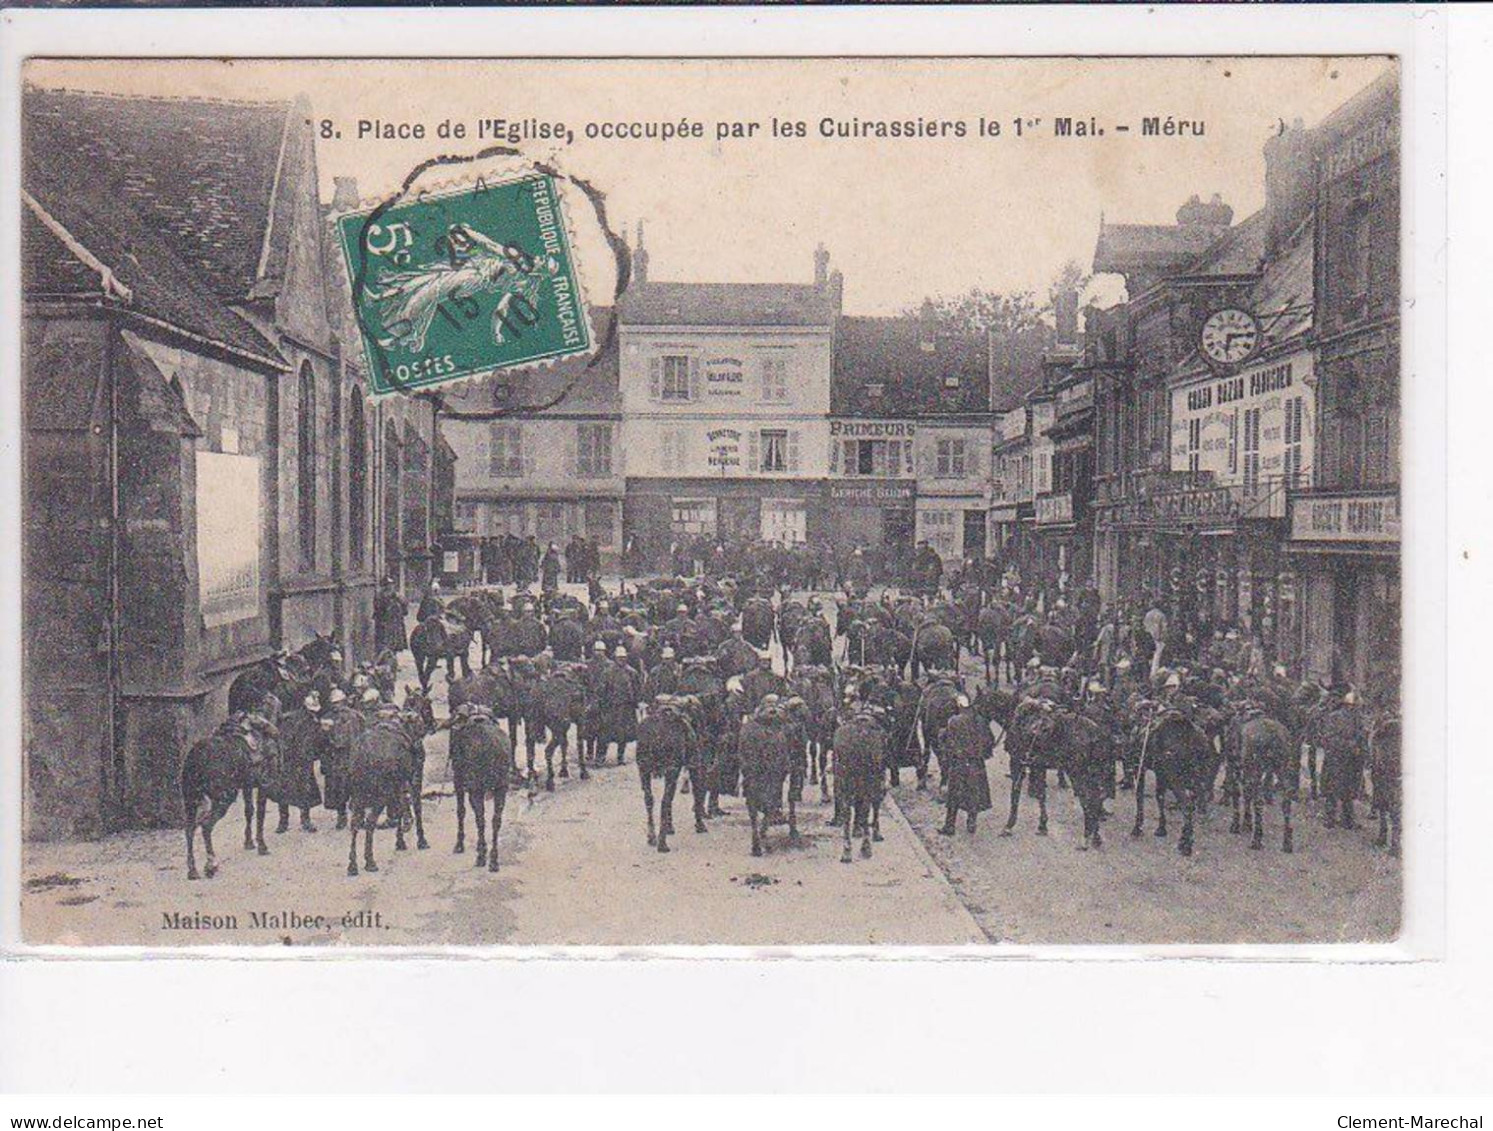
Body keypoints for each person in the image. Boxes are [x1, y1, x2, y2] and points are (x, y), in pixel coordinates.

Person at [937, 694, 994, 835]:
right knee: (974, 793)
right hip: (977, 763)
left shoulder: (954, 721)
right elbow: (989, 740)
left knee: (954, 794)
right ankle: (971, 821)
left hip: (959, 762)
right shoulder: (981, 720)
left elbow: (947, 742)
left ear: (959, 706)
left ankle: (949, 826)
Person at [373, 578, 408, 657]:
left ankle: (393, 660)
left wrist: (400, 600)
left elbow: (405, 609)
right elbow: (378, 609)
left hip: (395, 623)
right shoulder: (380, 596)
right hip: (384, 623)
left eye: (391, 585)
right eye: (388, 585)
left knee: (395, 643)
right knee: (384, 643)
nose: (390, 587)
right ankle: (384, 660)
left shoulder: (397, 596)